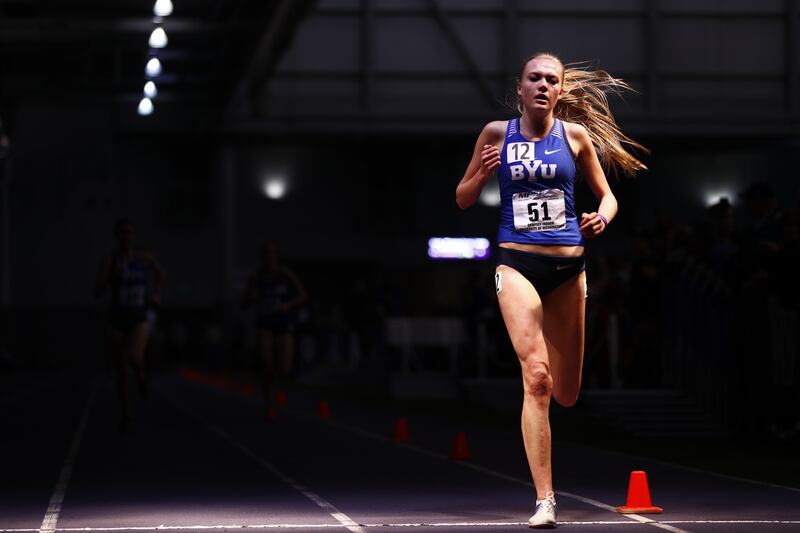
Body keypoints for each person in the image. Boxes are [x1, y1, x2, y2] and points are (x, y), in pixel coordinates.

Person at [455, 53, 647, 528]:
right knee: (537, 377)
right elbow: (461, 197)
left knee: (566, 392)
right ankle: (545, 499)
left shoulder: (574, 137)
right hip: (516, 263)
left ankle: (550, 467)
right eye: (534, 78)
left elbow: (608, 195)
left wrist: (603, 215)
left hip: (569, 269)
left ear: (561, 91)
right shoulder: (496, 133)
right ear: (519, 88)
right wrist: (482, 173)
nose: (542, 85)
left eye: (552, 80)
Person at [95, 219, 165, 430]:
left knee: (134, 358)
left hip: (138, 318)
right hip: (117, 319)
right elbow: (96, 291)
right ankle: (126, 413)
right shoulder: (109, 260)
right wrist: (110, 278)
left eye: (130, 233)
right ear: (116, 236)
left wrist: (155, 294)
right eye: (122, 233)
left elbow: (161, 273)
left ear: (134, 236)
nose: (126, 237)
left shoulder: (144, 259)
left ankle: (141, 375)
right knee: (120, 370)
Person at [241, 242, 308, 419]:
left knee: (284, 367)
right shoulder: (256, 277)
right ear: (263, 258)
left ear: (277, 257)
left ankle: (276, 391)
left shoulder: (286, 275)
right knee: (267, 363)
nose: (269, 258)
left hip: (283, 322)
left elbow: (303, 295)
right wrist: (250, 297)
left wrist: (288, 305)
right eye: (266, 255)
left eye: (272, 254)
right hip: (265, 323)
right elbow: (244, 301)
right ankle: (268, 403)